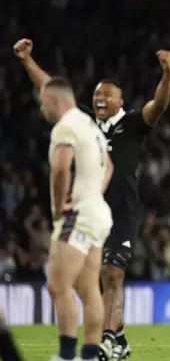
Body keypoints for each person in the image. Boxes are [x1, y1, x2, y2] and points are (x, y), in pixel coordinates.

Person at [13, 38, 170, 360]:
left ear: (120, 100)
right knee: (86, 282)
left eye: (107, 94)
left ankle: (105, 341)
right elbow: (53, 90)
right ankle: (113, 337)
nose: (99, 98)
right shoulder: (84, 122)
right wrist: (26, 60)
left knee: (112, 274)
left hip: (122, 211)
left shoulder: (132, 124)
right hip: (89, 210)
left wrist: (168, 74)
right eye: (97, 93)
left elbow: (158, 105)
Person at [41, 77, 114, 361]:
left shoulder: (66, 126)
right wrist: (94, 193)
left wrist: (60, 206)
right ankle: (90, 355)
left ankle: (67, 356)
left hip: (79, 214)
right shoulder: (90, 126)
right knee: (88, 288)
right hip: (98, 212)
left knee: (58, 284)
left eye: (42, 102)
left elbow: (60, 167)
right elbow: (109, 166)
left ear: (53, 100)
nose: (41, 108)